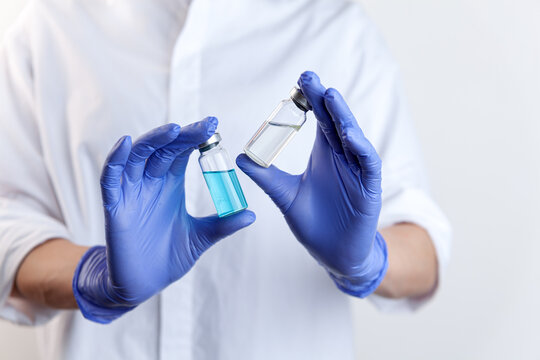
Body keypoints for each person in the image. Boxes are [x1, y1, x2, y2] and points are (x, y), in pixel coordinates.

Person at [0, 0, 451, 358]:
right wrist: (90, 276)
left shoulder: (338, 29)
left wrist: (367, 258)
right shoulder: (51, 24)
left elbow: (425, 247)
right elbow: (8, 222)